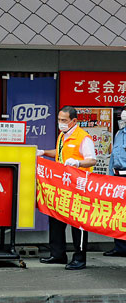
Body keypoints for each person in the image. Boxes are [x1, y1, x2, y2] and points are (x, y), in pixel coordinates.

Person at [37, 105, 96, 270]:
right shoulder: (63, 135)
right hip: (62, 186)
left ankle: (79, 258)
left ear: (74, 121)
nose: (60, 123)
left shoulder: (83, 138)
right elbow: (60, 153)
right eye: (59, 120)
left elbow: (92, 160)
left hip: (79, 187)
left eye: (64, 120)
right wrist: (43, 152)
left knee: (78, 224)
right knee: (56, 218)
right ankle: (58, 254)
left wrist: (78, 163)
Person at [104, 106, 126, 257]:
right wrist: (110, 176)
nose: (123, 114)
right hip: (117, 178)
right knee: (118, 213)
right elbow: (113, 157)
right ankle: (120, 247)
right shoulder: (119, 133)